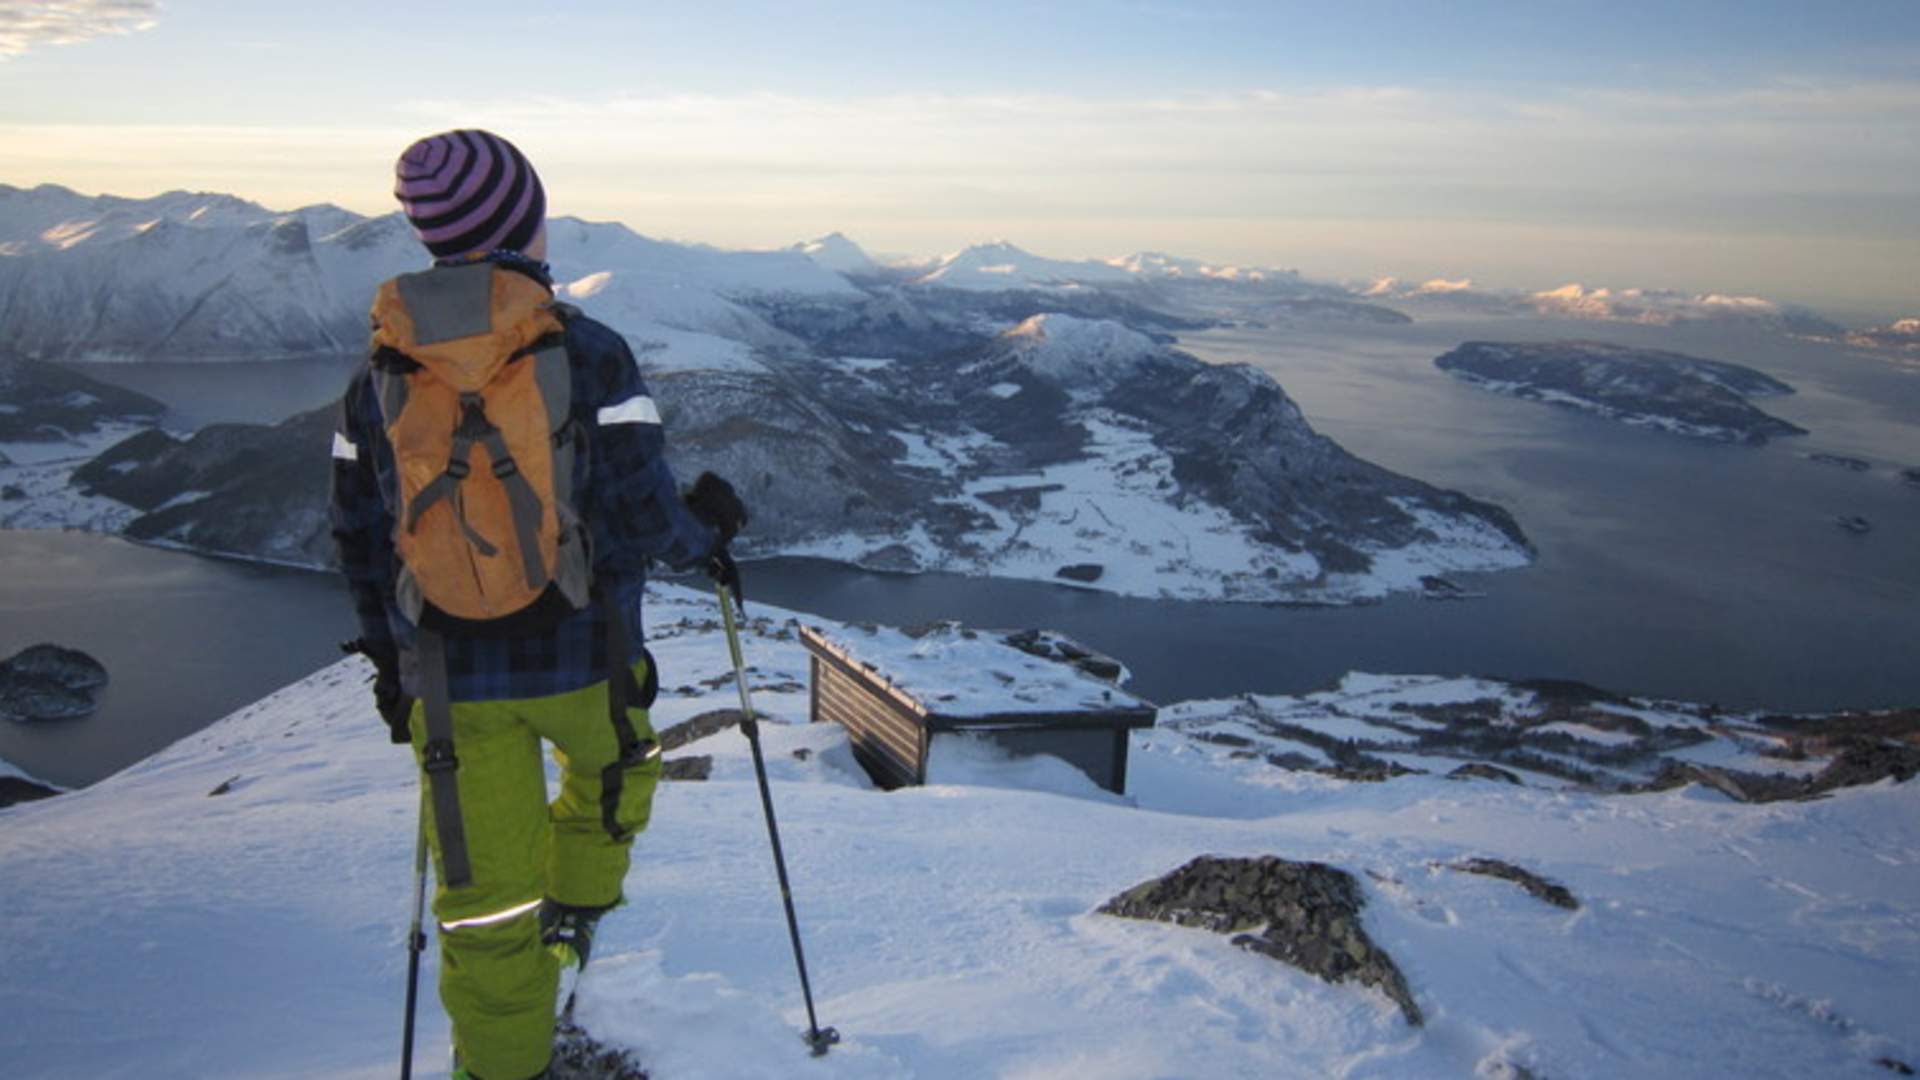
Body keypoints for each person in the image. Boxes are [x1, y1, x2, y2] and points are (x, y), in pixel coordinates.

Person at [330, 129, 746, 1080]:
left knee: (481, 905)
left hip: (446, 676)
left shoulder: (379, 376)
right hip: (588, 657)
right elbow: (643, 520)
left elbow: (356, 535)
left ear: (429, 237)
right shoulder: (588, 351)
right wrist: (709, 533)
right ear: (528, 223)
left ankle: (498, 1067)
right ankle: (577, 916)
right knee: (616, 777)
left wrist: (394, 669)